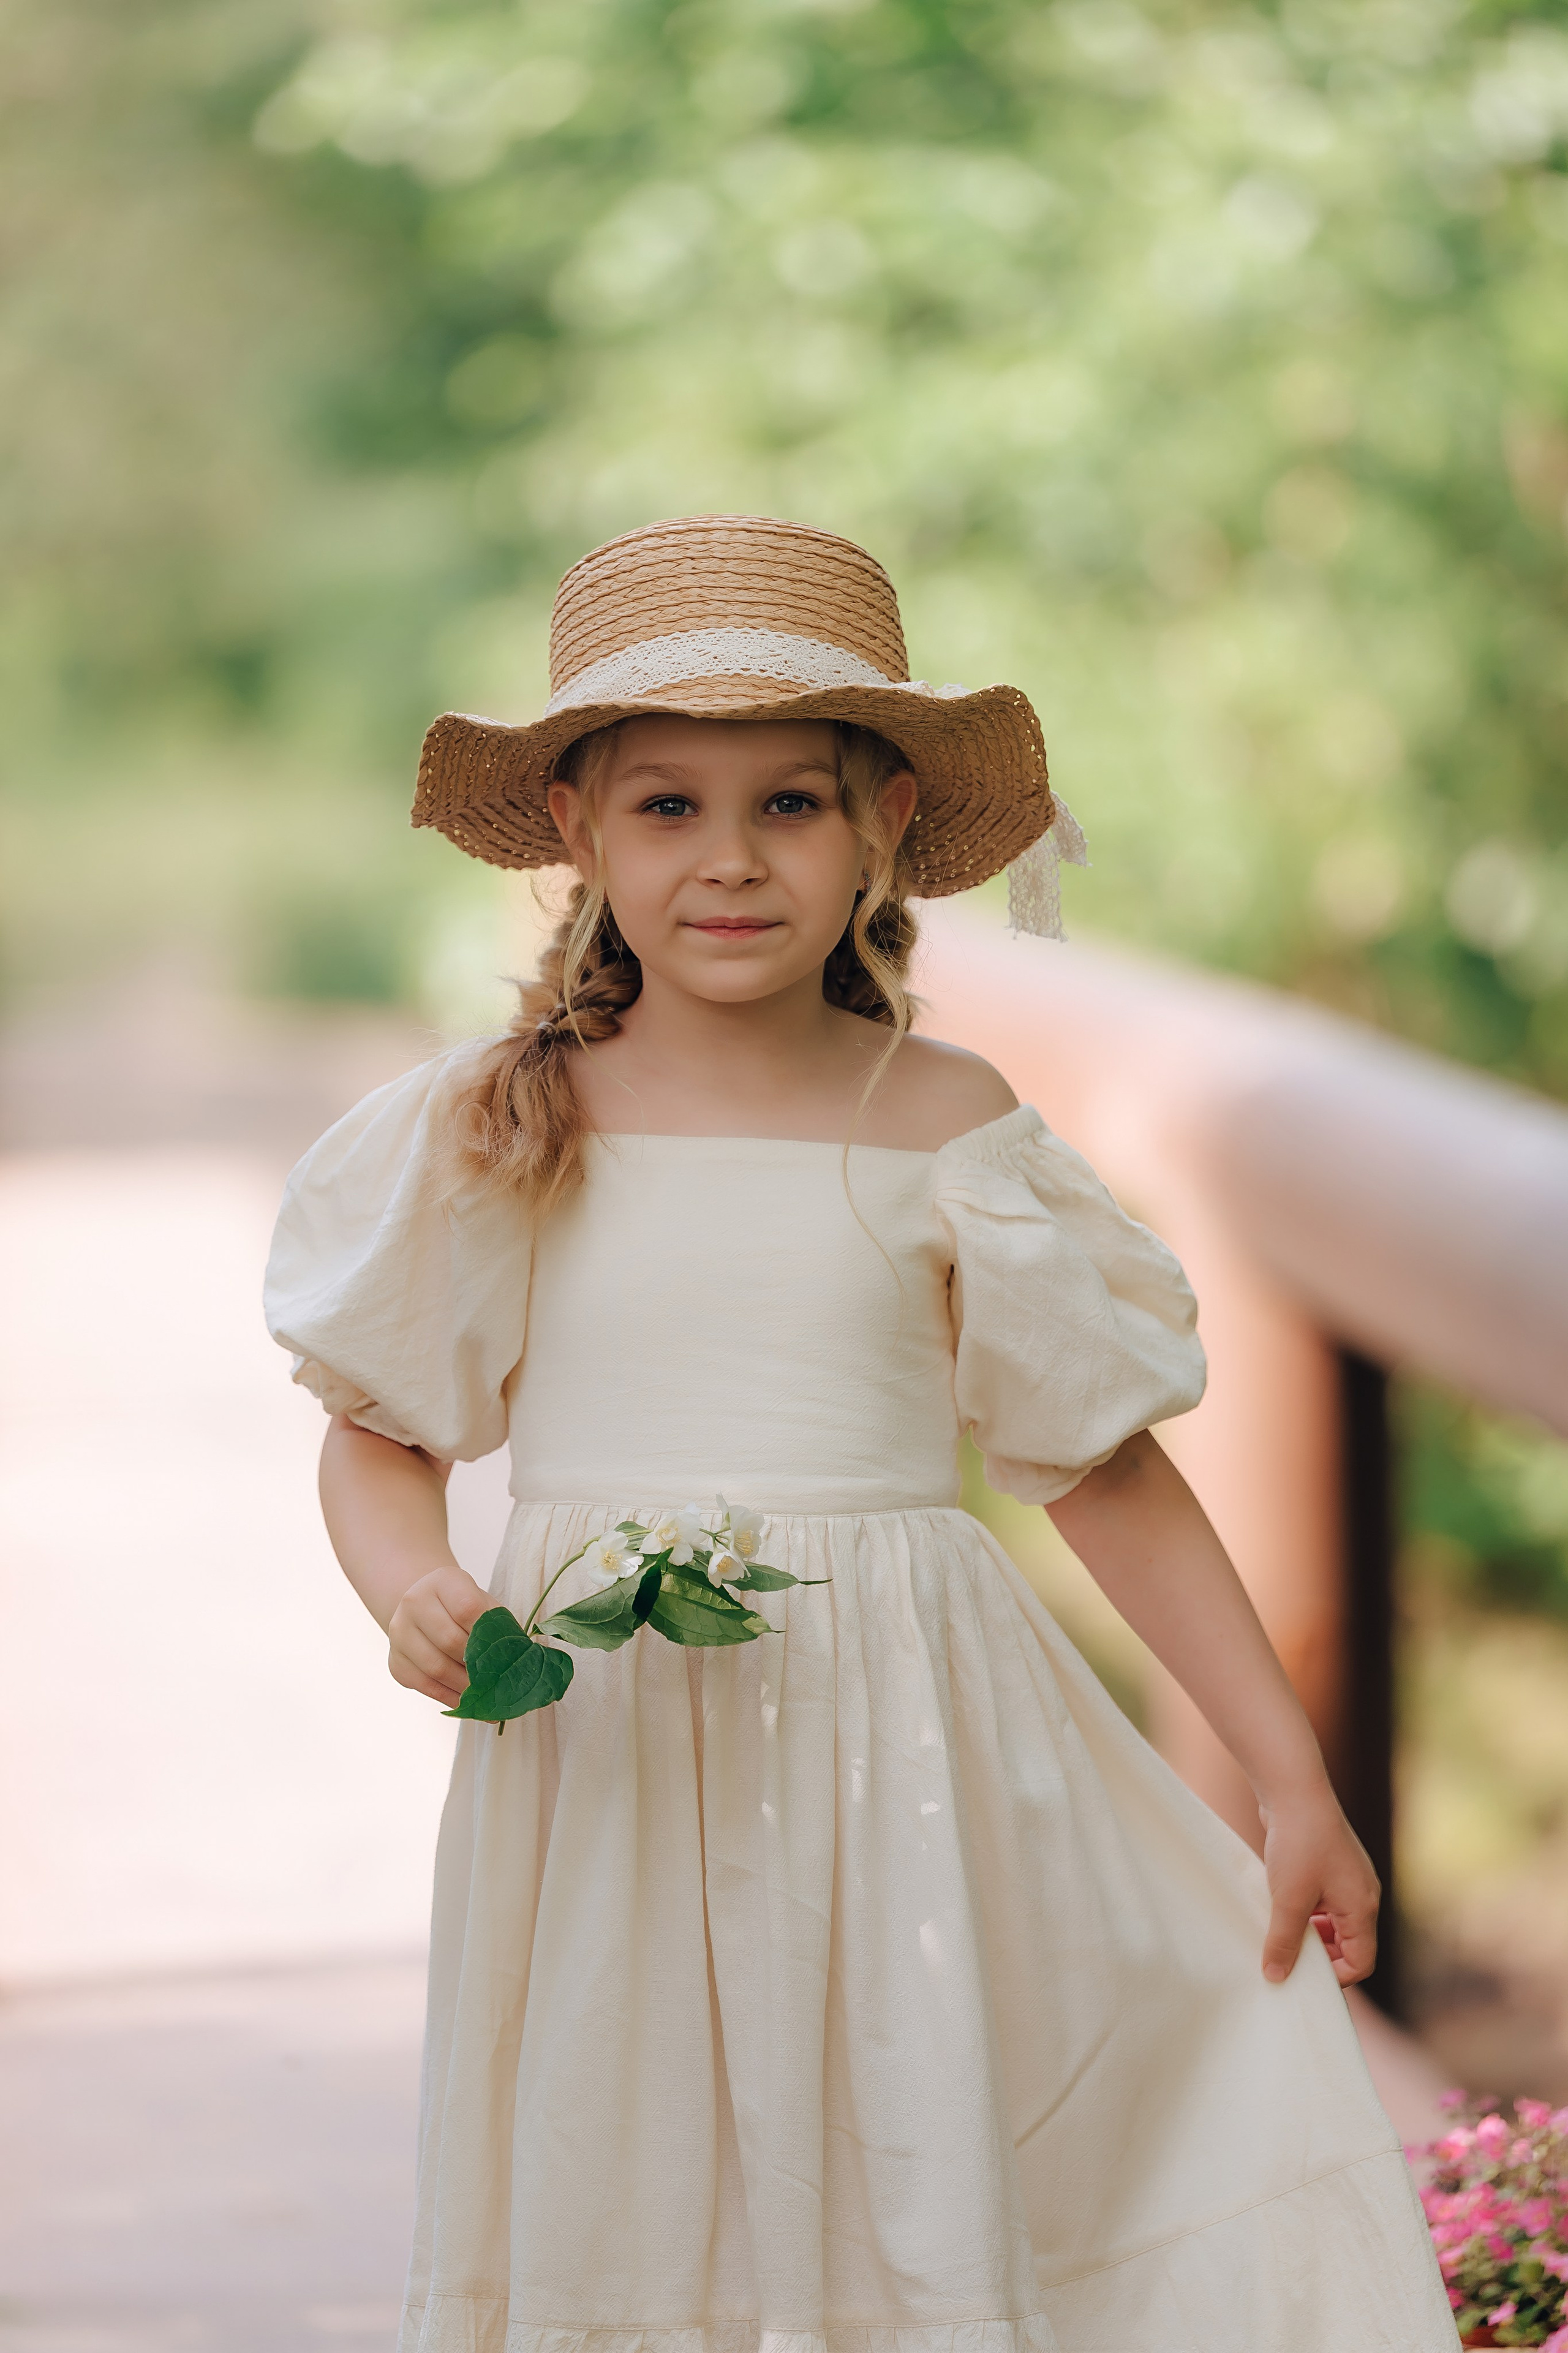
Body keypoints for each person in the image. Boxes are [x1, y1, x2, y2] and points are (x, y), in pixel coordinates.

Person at [265, 515, 1455, 2353]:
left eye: (791, 807)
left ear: (886, 820)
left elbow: (1101, 1467)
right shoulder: (511, 1124)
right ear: (576, 833)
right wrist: (410, 1578)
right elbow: (379, 1430)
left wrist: (1289, 1771)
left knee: (915, 2119)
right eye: (665, 806)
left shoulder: (946, 1124)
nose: (729, 862)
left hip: (915, 1728)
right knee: (631, 2128)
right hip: (612, 1735)